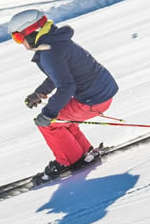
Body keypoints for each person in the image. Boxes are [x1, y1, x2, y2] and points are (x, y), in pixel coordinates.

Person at [8, 9, 119, 180]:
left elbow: (66, 86)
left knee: (48, 123)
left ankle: (69, 161)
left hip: (93, 100)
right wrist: (39, 93)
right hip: (100, 93)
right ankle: (84, 153)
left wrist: (48, 114)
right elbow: (60, 75)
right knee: (63, 120)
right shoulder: (55, 43)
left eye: (18, 38)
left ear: (31, 32)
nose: (20, 43)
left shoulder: (50, 52)